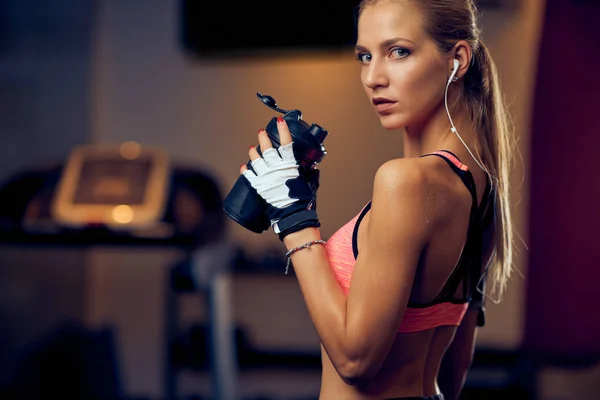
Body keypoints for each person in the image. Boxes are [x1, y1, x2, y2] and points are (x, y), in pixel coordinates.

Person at [237, 0, 515, 399]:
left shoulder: (403, 181)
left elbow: (355, 362)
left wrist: (293, 216)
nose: (372, 77)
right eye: (365, 56)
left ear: (458, 59)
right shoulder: (482, 186)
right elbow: (458, 362)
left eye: (398, 51)